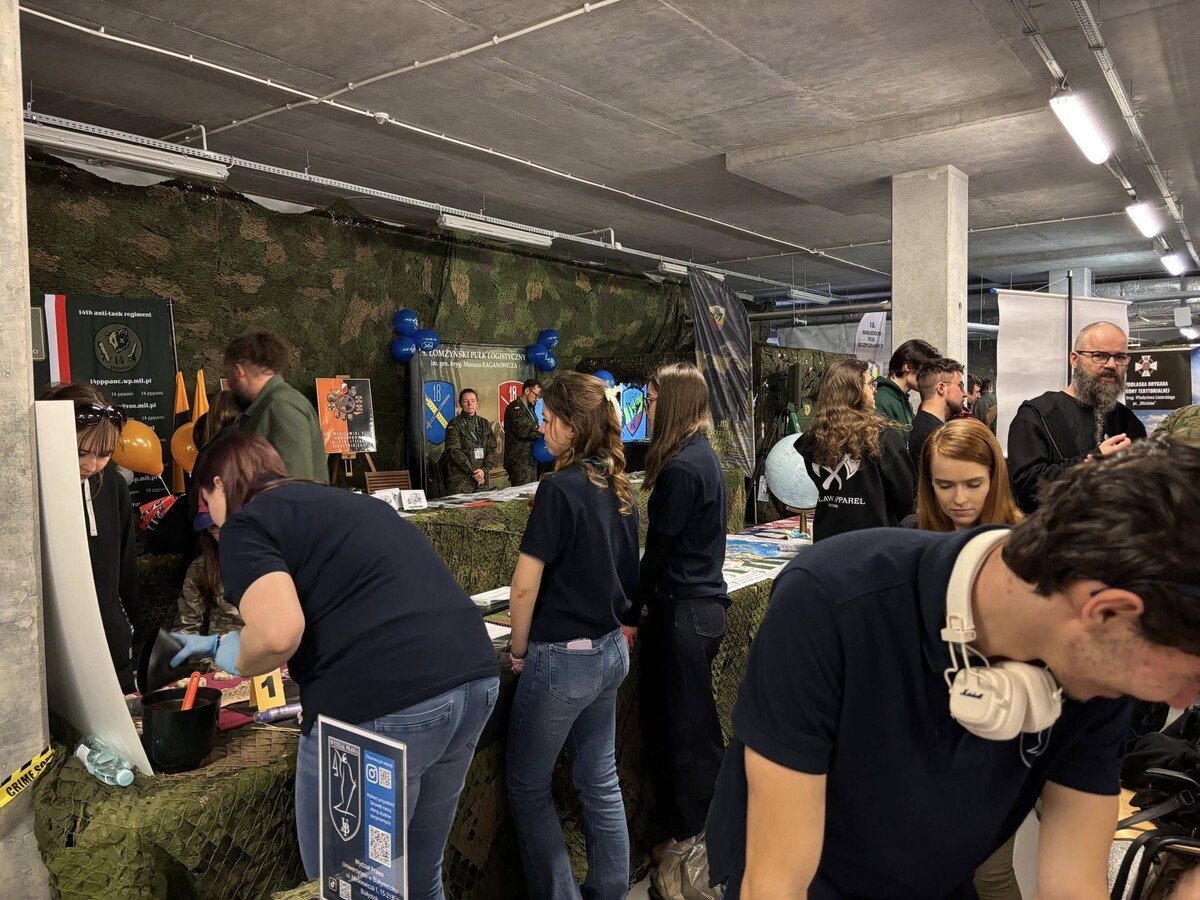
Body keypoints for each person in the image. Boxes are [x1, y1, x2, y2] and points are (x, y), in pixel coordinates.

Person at [706, 434, 1200, 900]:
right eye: (1189, 676)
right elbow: (776, 880)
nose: (1181, 701)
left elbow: (1072, 883)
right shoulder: (831, 599)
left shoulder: (1097, 677)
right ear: (1107, 613)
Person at [169, 433, 499, 898]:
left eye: (207, 503)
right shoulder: (346, 502)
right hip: (473, 678)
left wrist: (232, 654)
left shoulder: (246, 524)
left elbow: (278, 635)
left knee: (351, 889)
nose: (214, 523)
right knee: (419, 874)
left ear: (219, 485)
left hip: (384, 703)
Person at [505, 371, 639, 900]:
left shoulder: (558, 489)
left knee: (527, 785)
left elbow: (523, 587)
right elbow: (627, 575)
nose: (541, 427)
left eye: (548, 419)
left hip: (564, 660)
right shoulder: (618, 485)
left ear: (570, 424)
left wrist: (518, 651)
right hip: (608, 651)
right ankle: (610, 890)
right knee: (600, 779)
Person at [618, 362, 728, 865]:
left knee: (687, 735)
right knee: (688, 727)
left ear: (674, 402)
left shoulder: (683, 468)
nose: (648, 407)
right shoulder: (699, 456)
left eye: (653, 399)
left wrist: (629, 612)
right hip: (697, 608)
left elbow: (658, 553)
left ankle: (694, 844)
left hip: (684, 610)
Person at [916, 417, 1024, 900]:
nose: (959, 499)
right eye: (945, 486)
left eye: (973, 485)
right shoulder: (918, 542)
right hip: (936, 728)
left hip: (1003, 731)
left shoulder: (1023, 547)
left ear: (994, 478)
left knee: (989, 871)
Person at [42, 383, 138, 693]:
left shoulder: (113, 486)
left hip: (111, 637)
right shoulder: (32, 487)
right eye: (81, 452)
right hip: (49, 639)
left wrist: (132, 631)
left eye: (104, 454)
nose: (91, 464)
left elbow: (126, 566)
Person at [1008, 321, 1146, 513]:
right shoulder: (1037, 415)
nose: (1111, 364)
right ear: (1074, 359)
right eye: (1099, 355)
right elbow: (1027, 487)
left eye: (1120, 357)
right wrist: (1090, 463)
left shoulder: (1126, 419)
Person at [795, 358, 914, 541]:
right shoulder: (883, 437)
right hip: (872, 542)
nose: (874, 390)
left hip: (827, 541)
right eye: (869, 384)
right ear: (855, 391)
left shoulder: (813, 438)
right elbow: (906, 495)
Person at [223, 330, 327, 482]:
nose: (228, 382)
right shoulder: (272, 404)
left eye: (227, 373)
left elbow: (296, 483)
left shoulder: (281, 406)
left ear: (238, 371)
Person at [171, 503, 242, 638]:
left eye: (228, 521)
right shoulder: (201, 568)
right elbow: (185, 628)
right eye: (214, 526)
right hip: (222, 647)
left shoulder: (277, 558)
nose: (223, 533)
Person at [908, 357, 965, 469]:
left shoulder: (919, 426)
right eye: (960, 386)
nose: (964, 394)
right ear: (941, 388)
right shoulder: (933, 436)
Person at [873, 338, 941, 427]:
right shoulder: (882, 401)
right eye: (925, 372)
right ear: (908, 367)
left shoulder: (902, 400)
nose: (929, 379)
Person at [443, 388, 498, 494]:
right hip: (461, 481)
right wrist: (473, 471)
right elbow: (454, 451)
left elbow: (492, 448)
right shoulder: (454, 424)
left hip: (482, 479)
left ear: (477, 403)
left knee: (482, 504)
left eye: (473, 401)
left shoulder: (484, 423)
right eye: (465, 401)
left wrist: (484, 470)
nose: (470, 404)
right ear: (460, 404)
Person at [504, 379, 543, 487]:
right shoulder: (515, 407)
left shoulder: (530, 409)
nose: (537, 398)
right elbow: (522, 430)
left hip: (530, 459)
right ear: (527, 391)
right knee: (522, 491)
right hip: (519, 460)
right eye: (536, 395)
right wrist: (542, 431)